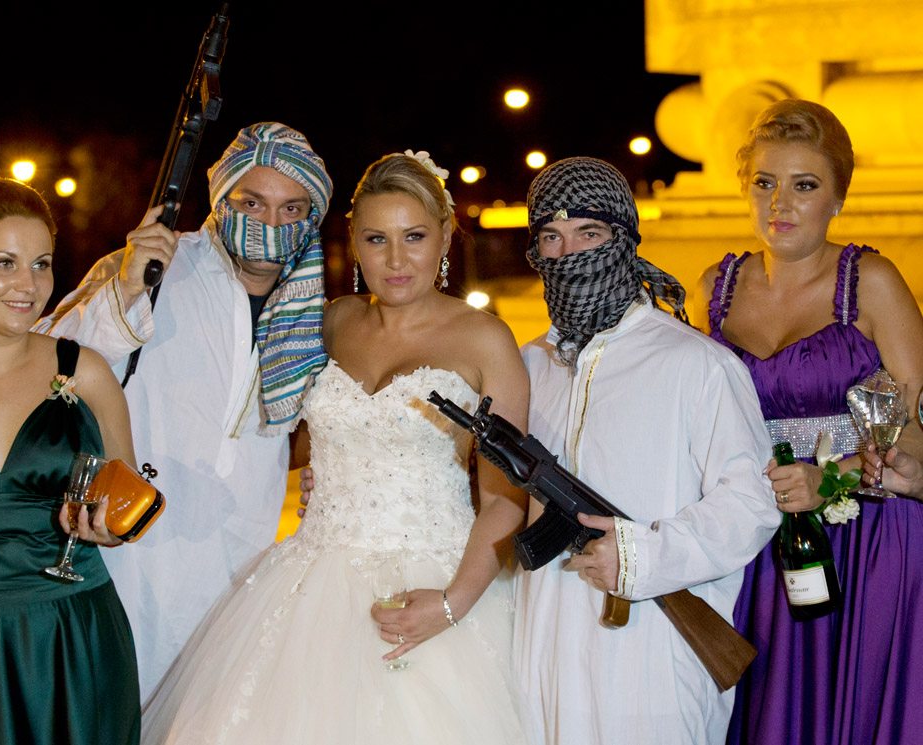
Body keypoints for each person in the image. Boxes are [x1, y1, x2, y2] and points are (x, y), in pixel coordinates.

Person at [140, 150, 531, 744]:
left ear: (446, 237)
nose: (396, 260)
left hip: (434, 577)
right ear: (353, 241)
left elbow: (505, 499)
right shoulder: (328, 321)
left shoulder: (485, 340)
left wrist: (453, 603)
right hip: (311, 580)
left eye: (415, 236)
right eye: (377, 239)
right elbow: (275, 425)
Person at [35, 122, 333, 702]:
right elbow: (50, 366)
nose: (270, 224)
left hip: (244, 556)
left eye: (291, 207)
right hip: (130, 550)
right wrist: (124, 288)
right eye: (251, 202)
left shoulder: (314, 315)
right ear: (222, 199)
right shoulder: (156, 266)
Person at [511, 157, 780, 745]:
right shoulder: (528, 366)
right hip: (544, 640)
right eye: (551, 238)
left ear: (625, 241)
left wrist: (643, 558)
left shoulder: (696, 363)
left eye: (590, 234)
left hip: (653, 647)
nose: (568, 254)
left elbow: (752, 501)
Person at [695, 98, 923, 744]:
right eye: (764, 184)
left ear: (837, 199)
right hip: (756, 545)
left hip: (870, 541)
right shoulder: (714, 288)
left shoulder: (872, 281)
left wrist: (836, 478)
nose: (781, 204)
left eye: (805, 185)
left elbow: (918, 424)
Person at [0, 177, 140, 744]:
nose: (29, 285)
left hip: (72, 636)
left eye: (41, 264)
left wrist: (110, 530)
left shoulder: (86, 372)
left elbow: (127, 502)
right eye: (4, 263)